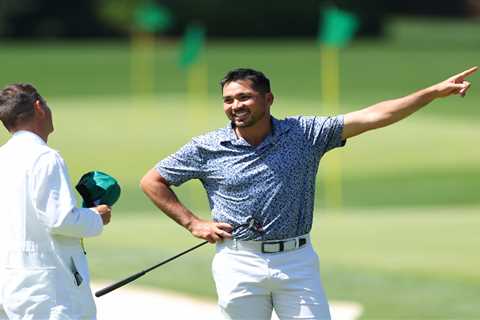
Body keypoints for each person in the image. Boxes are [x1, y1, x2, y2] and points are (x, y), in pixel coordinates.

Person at [140, 67, 477, 319]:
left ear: (268, 99)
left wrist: (431, 93)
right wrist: (193, 223)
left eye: (244, 97)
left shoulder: (304, 133)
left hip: (296, 261)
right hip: (237, 260)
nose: (235, 105)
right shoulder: (207, 146)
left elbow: (374, 115)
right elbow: (153, 181)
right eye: (228, 100)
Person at [0, 84, 112, 320]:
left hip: (10, 282)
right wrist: (97, 215)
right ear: (39, 107)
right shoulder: (45, 157)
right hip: (47, 288)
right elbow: (60, 219)